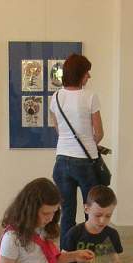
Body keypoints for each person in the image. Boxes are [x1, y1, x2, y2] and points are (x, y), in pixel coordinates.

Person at [49, 53, 104, 248]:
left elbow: (57, 127)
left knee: (67, 213)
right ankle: (92, 253)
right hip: (85, 162)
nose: (89, 76)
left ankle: (67, 254)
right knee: (93, 211)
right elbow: (99, 132)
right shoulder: (90, 96)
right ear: (80, 73)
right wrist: (90, 143)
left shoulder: (56, 97)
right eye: (87, 72)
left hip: (62, 160)